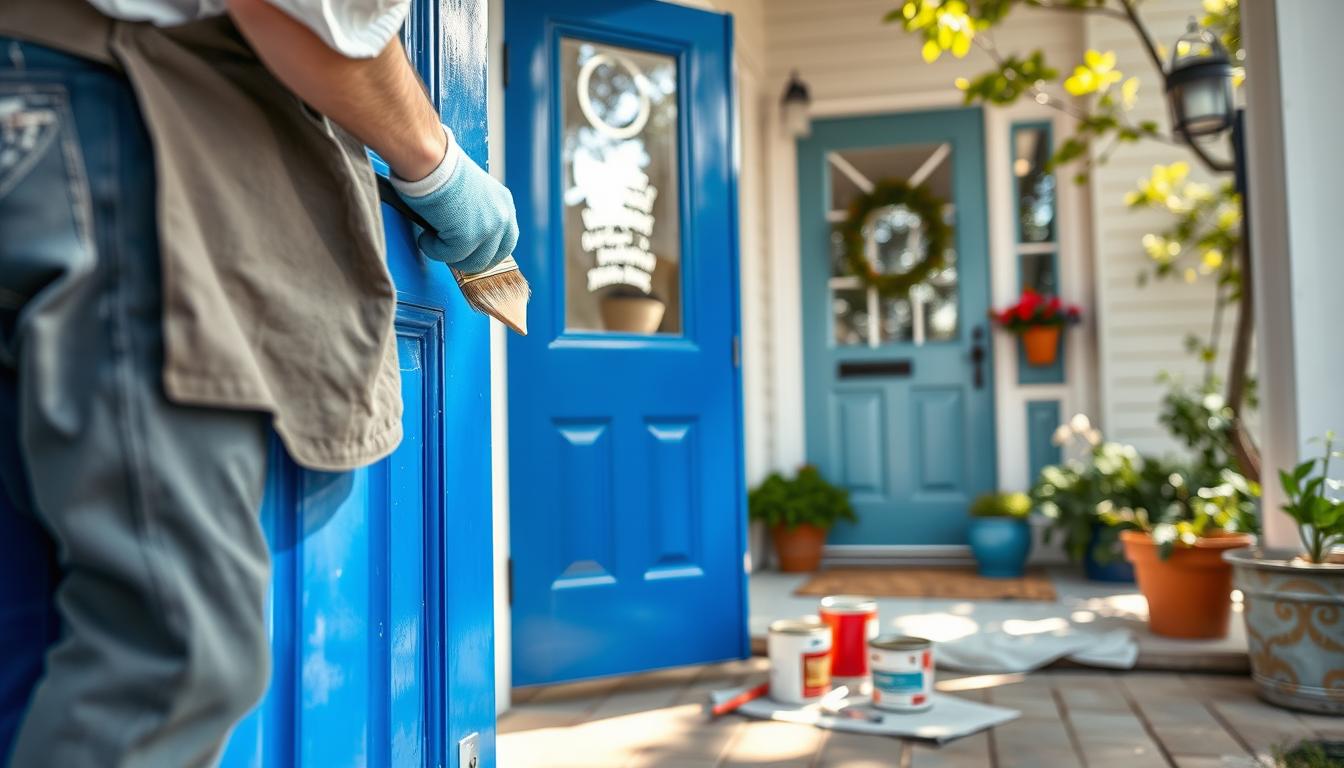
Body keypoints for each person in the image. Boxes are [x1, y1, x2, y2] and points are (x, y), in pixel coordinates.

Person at [0, 0, 517, 764]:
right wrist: (439, 165)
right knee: (173, 654)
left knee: (31, 634)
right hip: (122, 122)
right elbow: (311, 15)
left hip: (47, 123)